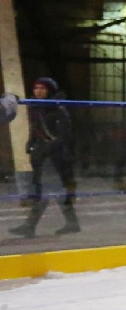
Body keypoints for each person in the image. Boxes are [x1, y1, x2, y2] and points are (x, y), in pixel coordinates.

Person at [10, 77, 79, 237]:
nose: (38, 91)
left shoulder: (58, 109)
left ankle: (30, 225)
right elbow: (36, 128)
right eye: (36, 88)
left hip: (56, 157)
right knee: (52, 190)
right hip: (43, 156)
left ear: (49, 90)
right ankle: (71, 222)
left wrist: (47, 148)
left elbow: (65, 136)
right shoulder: (36, 107)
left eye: (42, 88)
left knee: (44, 189)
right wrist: (31, 142)